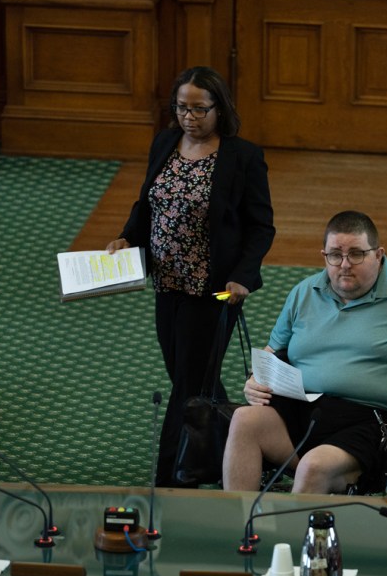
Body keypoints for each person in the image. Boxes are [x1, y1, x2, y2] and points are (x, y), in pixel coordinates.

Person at [222, 210, 387, 494]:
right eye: (335, 255)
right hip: (302, 407)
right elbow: (273, 350)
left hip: (372, 420)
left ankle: (301, 517)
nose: (344, 264)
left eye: (356, 254)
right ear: (324, 256)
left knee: (313, 467)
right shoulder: (304, 292)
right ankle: (239, 521)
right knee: (244, 420)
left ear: (378, 255)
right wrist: (256, 379)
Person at [108, 66, 275, 487]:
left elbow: (261, 226)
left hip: (214, 291)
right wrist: (127, 238)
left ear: (220, 108)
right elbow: (147, 204)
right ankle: (242, 447)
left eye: (199, 109)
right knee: (195, 378)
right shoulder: (165, 142)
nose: (189, 117)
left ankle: (172, 477)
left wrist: (243, 276)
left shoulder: (242, 157)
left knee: (187, 384)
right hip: (167, 284)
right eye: (182, 107)